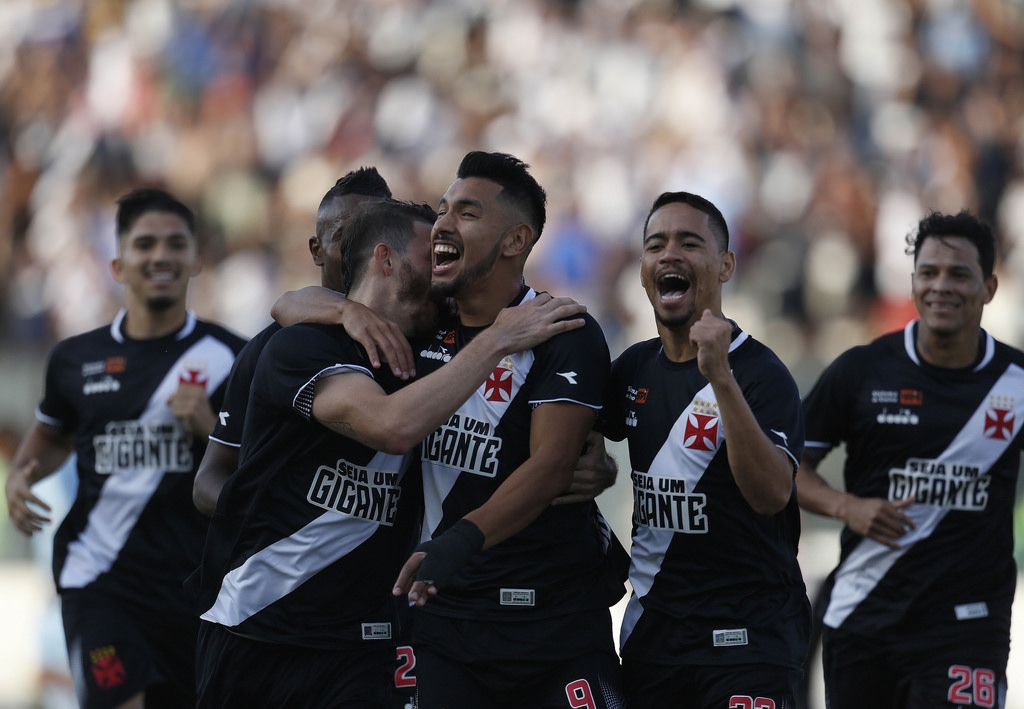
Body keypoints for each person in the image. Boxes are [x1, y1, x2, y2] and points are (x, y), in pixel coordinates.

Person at [189, 199, 588, 707]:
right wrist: (496, 341)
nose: (443, 268)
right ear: (386, 259)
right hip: (261, 630)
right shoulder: (302, 346)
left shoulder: (433, 351)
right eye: (430, 255)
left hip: (368, 646)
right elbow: (391, 426)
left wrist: (587, 455)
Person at [391, 151, 626, 709]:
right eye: (443, 209)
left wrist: (459, 541)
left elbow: (552, 466)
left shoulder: (563, 329)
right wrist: (324, 307)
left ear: (516, 240)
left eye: (467, 213)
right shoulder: (416, 323)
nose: (443, 224)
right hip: (442, 624)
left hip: (557, 626)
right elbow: (323, 299)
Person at [4, 187, 247, 709]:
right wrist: (20, 476)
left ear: (196, 260)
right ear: (117, 265)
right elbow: (51, 433)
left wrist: (209, 428)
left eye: (175, 243)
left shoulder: (233, 358)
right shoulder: (76, 359)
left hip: (194, 590)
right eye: (145, 244)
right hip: (99, 580)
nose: (161, 255)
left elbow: (258, 475)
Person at [796, 209, 1020, 708]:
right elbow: (785, 468)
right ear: (913, 282)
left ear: (989, 287)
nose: (941, 286)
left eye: (959, 274)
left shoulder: (1016, 382)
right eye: (929, 273)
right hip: (864, 617)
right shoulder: (863, 370)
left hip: (968, 624)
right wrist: (846, 506)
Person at [597, 191, 810, 708]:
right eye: (655, 245)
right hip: (654, 642)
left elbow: (771, 494)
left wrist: (720, 378)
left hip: (748, 644)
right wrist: (595, 467)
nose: (669, 254)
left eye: (689, 243)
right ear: (643, 271)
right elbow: (574, 444)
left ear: (726, 265)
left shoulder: (761, 374)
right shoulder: (633, 368)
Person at [192, 167, 412, 518]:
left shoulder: (420, 335)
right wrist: (269, 524)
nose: (363, 252)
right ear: (316, 250)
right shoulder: (270, 347)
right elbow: (209, 478)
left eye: (375, 238)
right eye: (346, 237)